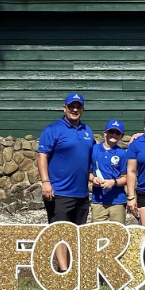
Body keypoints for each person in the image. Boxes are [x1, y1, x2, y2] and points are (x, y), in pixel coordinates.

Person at [36, 93, 95, 270]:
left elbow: (90, 158)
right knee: (60, 233)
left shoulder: (87, 131)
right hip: (59, 192)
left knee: (76, 234)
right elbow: (42, 156)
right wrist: (45, 181)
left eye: (78, 107)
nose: (75, 110)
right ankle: (64, 271)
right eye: (71, 106)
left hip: (82, 193)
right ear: (65, 108)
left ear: (82, 109)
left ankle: (73, 270)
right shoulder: (52, 130)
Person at [88, 120, 130, 223]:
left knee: (118, 233)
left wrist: (113, 182)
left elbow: (126, 177)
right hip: (98, 200)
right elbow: (88, 172)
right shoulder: (93, 150)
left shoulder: (122, 153)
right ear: (105, 132)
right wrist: (93, 179)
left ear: (121, 136)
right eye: (111, 131)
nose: (114, 135)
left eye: (117, 133)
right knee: (97, 231)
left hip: (118, 201)